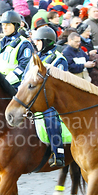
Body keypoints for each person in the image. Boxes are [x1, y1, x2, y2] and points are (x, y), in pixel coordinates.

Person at [31, 26, 68, 167]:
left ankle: (58, 152)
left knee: (50, 116)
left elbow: (60, 84)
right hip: (34, 95)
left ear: (47, 41)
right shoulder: (36, 57)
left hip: (52, 98)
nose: (36, 43)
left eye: (38, 41)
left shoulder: (59, 59)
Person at [0, 10, 34, 89]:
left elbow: (24, 67)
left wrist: (4, 82)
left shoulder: (24, 44)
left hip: (14, 86)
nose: (4, 27)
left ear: (16, 26)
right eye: (3, 24)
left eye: (8, 24)